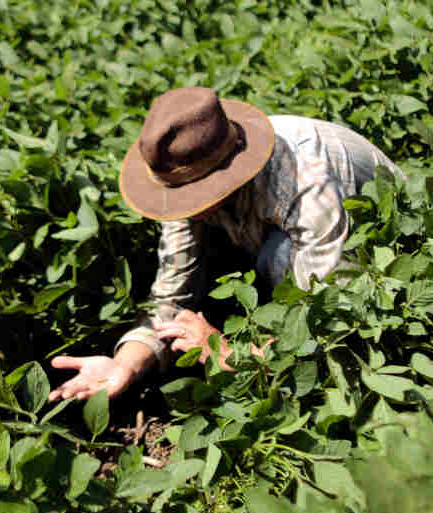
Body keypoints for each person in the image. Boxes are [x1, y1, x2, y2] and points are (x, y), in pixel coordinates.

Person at [48, 86, 400, 401]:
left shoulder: (307, 183)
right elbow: (172, 297)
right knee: (233, 261)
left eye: (195, 195)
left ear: (225, 174)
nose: (187, 207)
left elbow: (335, 320)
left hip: (382, 242)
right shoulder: (187, 171)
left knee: (277, 256)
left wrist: (226, 352)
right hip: (277, 234)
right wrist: (125, 363)